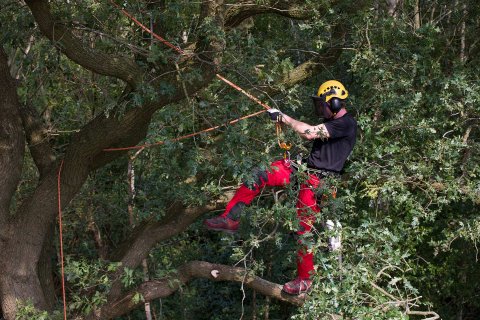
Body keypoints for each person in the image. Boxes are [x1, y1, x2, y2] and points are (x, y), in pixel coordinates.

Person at [204, 80, 357, 295]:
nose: (320, 109)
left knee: (304, 230)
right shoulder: (332, 123)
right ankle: (231, 218)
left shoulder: (346, 124)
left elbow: (310, 133)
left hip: (318, 182)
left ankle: (305, 279)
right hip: (303, 171)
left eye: (323, 104)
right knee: (261, 173)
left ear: (334, 103)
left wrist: (284, 118)